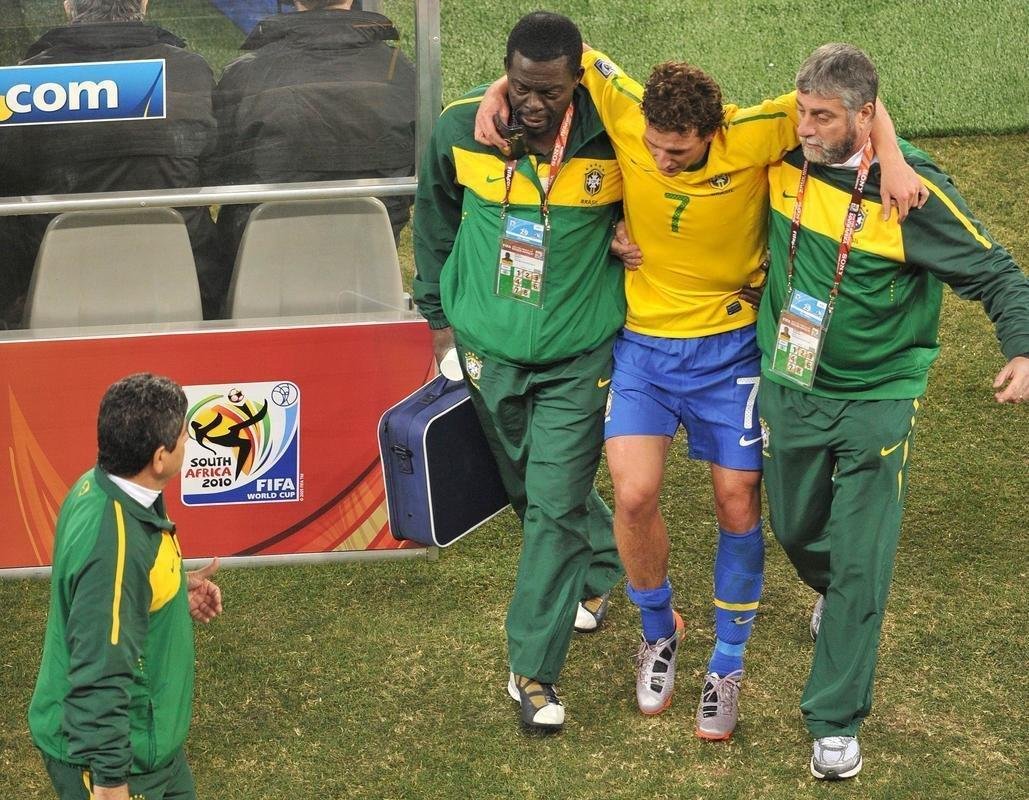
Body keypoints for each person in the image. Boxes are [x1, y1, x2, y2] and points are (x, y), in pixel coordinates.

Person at [475, 49, 925, 739]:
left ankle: (727, 662)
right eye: (653, 147)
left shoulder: (755, 132)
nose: (661, 161)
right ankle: (659, 631)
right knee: (632, 495)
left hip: (730, 352)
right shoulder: (629, 110)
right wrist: (497, 92)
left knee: (737, 500)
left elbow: (852, 98)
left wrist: (889, 158)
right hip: (643, 349)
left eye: (678, 151)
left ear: (712, 133)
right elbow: (568, 54)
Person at [757, 43, 1029, 780]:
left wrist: (1022, 349)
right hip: (791, 382)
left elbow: (997, 272)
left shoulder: (910, 193)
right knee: (793, 528)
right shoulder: (780, 153)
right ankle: (837, 592)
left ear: (865, 116)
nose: (806, 127)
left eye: (823, 116)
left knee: (859, 559)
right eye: (802, 111)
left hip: (878, 396)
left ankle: (833, 721)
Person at [413, 11, 625, 732]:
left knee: (554, 504)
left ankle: (532, 671)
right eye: (522, 88)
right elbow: (435, 217)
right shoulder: (459, 127)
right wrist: (437, 317)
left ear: (578, 80)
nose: (534, 105)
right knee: (526, 487)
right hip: (487, 346)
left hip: (578, 355)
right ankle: (601, 564)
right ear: (505, 74)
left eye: (551, 93)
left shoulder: (614, 136)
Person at [28, 373, 223, 799]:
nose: (188, 443)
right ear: (159, 458)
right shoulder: (114, 550)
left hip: (153, 748)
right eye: (184, 437)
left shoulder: (103, 484)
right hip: (121, 762)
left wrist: (169, 589)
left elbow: (108, 592)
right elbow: (99, 674)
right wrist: (111, 783)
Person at [0, 0, 223, 321]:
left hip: (53, 291)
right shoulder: (189, 71)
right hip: (182, 284)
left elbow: (8, 185)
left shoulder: (24, 85)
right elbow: (216, 167)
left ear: (68, 5)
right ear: (143, 3)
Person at [210, 0, 416, 270]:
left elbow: (215, 168)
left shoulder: (245, 74)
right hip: (368, 266)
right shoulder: (402, 72)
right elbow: (426, 166)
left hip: (263, 267)